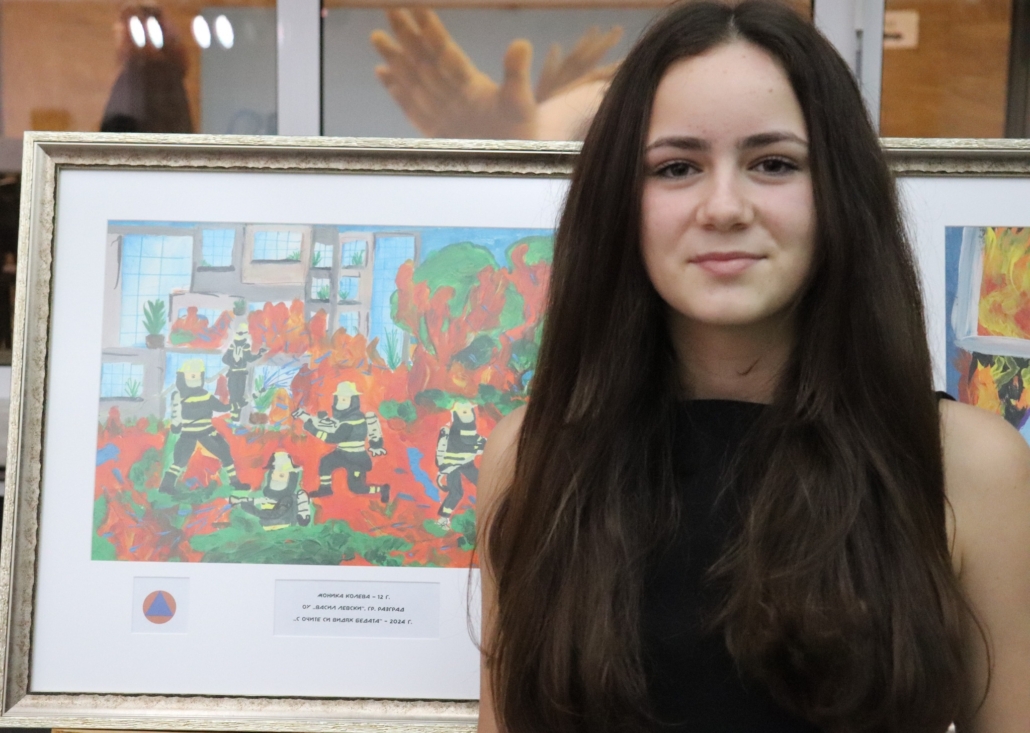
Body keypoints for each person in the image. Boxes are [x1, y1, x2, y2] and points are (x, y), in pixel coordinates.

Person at [476, 3, 1030, 733]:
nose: (724, 207)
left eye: (774, 164)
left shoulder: (967, 465)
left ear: (840, 191)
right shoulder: (530, 457)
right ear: (619, 201)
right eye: (676, 167)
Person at [159, 359, 248, 493]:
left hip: (206, 431)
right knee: (180, 460)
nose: (194, 378)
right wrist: (176, 425)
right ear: (183, 377)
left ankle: (235, 482)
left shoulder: (205, 395)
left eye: (197, 375)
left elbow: (221, 407)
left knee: (225, 453)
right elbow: (176, 414)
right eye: (191, 375)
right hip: (189, 433)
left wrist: (237, 404)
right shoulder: (178, 396)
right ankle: (166, 486)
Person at [293, 381, 390, 502]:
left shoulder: (351, 421)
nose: (340, 403)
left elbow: (333, 438)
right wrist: (305, 417)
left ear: (353, 401)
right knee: (326, 462)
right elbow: (328, 425)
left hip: (355, 458)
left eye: (344, 399)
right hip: (342, 453)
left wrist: (312, 429)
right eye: (339, 399)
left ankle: (382, 489)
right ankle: (325, 488)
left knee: (356, 488)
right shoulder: (346, 418)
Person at [434, 400, 486, 528]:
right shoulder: (454, 431)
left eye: (469, 411)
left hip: (467, 463)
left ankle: (484, 516)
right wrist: (477, 448)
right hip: (453, 466)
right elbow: (463, 444)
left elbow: (475, 439)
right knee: (456, 493)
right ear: (457, 415)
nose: (468, 414)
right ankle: (443, 519)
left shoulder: (470, 429)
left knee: (484, 485)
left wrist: (483, 444)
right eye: (464, 412)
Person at [230, 452, 311, 531]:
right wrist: (239, 501)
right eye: (273, 475)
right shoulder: (271, 498)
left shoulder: (288, 500)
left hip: (282, 524)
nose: (275, 480)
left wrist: (253, 510)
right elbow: (257, 501)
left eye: (281, 476)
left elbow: (276, 514)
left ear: (291, 480)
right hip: (267, 526)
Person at [222, 323, 267, 423]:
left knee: (236, 395)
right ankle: (235, 417)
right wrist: (259, 354)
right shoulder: (237, 346)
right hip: (238, 374)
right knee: (236, 395)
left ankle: (235, 417)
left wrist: (259, 354)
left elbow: (226, 359)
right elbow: (248, 358)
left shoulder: (238, 345)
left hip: (237, 374)